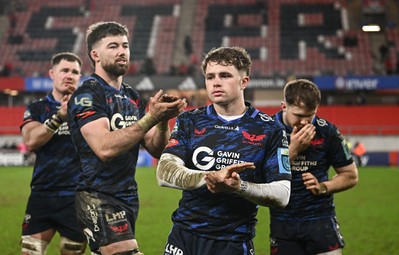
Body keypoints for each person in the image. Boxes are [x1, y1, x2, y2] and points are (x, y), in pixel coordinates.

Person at [156, 46, 292, 255]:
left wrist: (239, 187)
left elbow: (282, 194)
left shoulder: (269, 129)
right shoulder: (189, 120)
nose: (216, 82)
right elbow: (164, 172)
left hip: (233, 242)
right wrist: (212, 178)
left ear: (244, 81)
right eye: (210, 77)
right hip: (184, 237)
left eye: (225, 75)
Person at [67, 21, 186, 255]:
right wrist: (150, 118)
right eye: (113, 46)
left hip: (129, 196)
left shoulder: (131, 95)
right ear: (95, 54)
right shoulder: (88, 94)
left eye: (125, 45)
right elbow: (103, 148)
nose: (122, 51)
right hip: (97, 195)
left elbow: (157, 149)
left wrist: (162, 121)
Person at [270, 79, 359, 255]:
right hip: (283, 222)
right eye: (298, 116)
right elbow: (262, 177)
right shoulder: (269, 130)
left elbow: (351, 175)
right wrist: (293, 149)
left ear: (316, 109)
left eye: (309, 116)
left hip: (321, 219)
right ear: (283, 106)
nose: (304, 123)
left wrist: (323, 187)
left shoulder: (327, 131)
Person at [20, 52, 87, 255]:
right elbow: (31, 141)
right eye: (64, 70)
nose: (70, 75)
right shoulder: (38, 108)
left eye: (75, 72)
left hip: (76, 198)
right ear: (52, 73)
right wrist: (59, 116)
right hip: (42, 195)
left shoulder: (89, 111)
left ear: (79, 77)